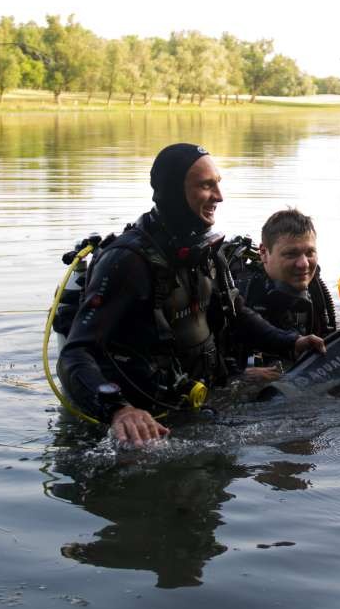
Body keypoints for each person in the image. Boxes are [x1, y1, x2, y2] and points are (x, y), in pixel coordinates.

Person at [57, 144, 325, 447]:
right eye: (206, 185)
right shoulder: (126, 262)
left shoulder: (206, 252)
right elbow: (75, 354)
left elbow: (236, 315)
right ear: (174, 190)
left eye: (218, 184)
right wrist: (119, 410)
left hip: (201, 402)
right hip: (142, 423)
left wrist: (291, 342)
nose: (219, 196)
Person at [225, 208, 336, 371]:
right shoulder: (239, 293)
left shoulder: (315, 289)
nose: (304, 264)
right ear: (264, 253)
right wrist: (242, 376)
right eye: (291, 254)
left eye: (310, 252)